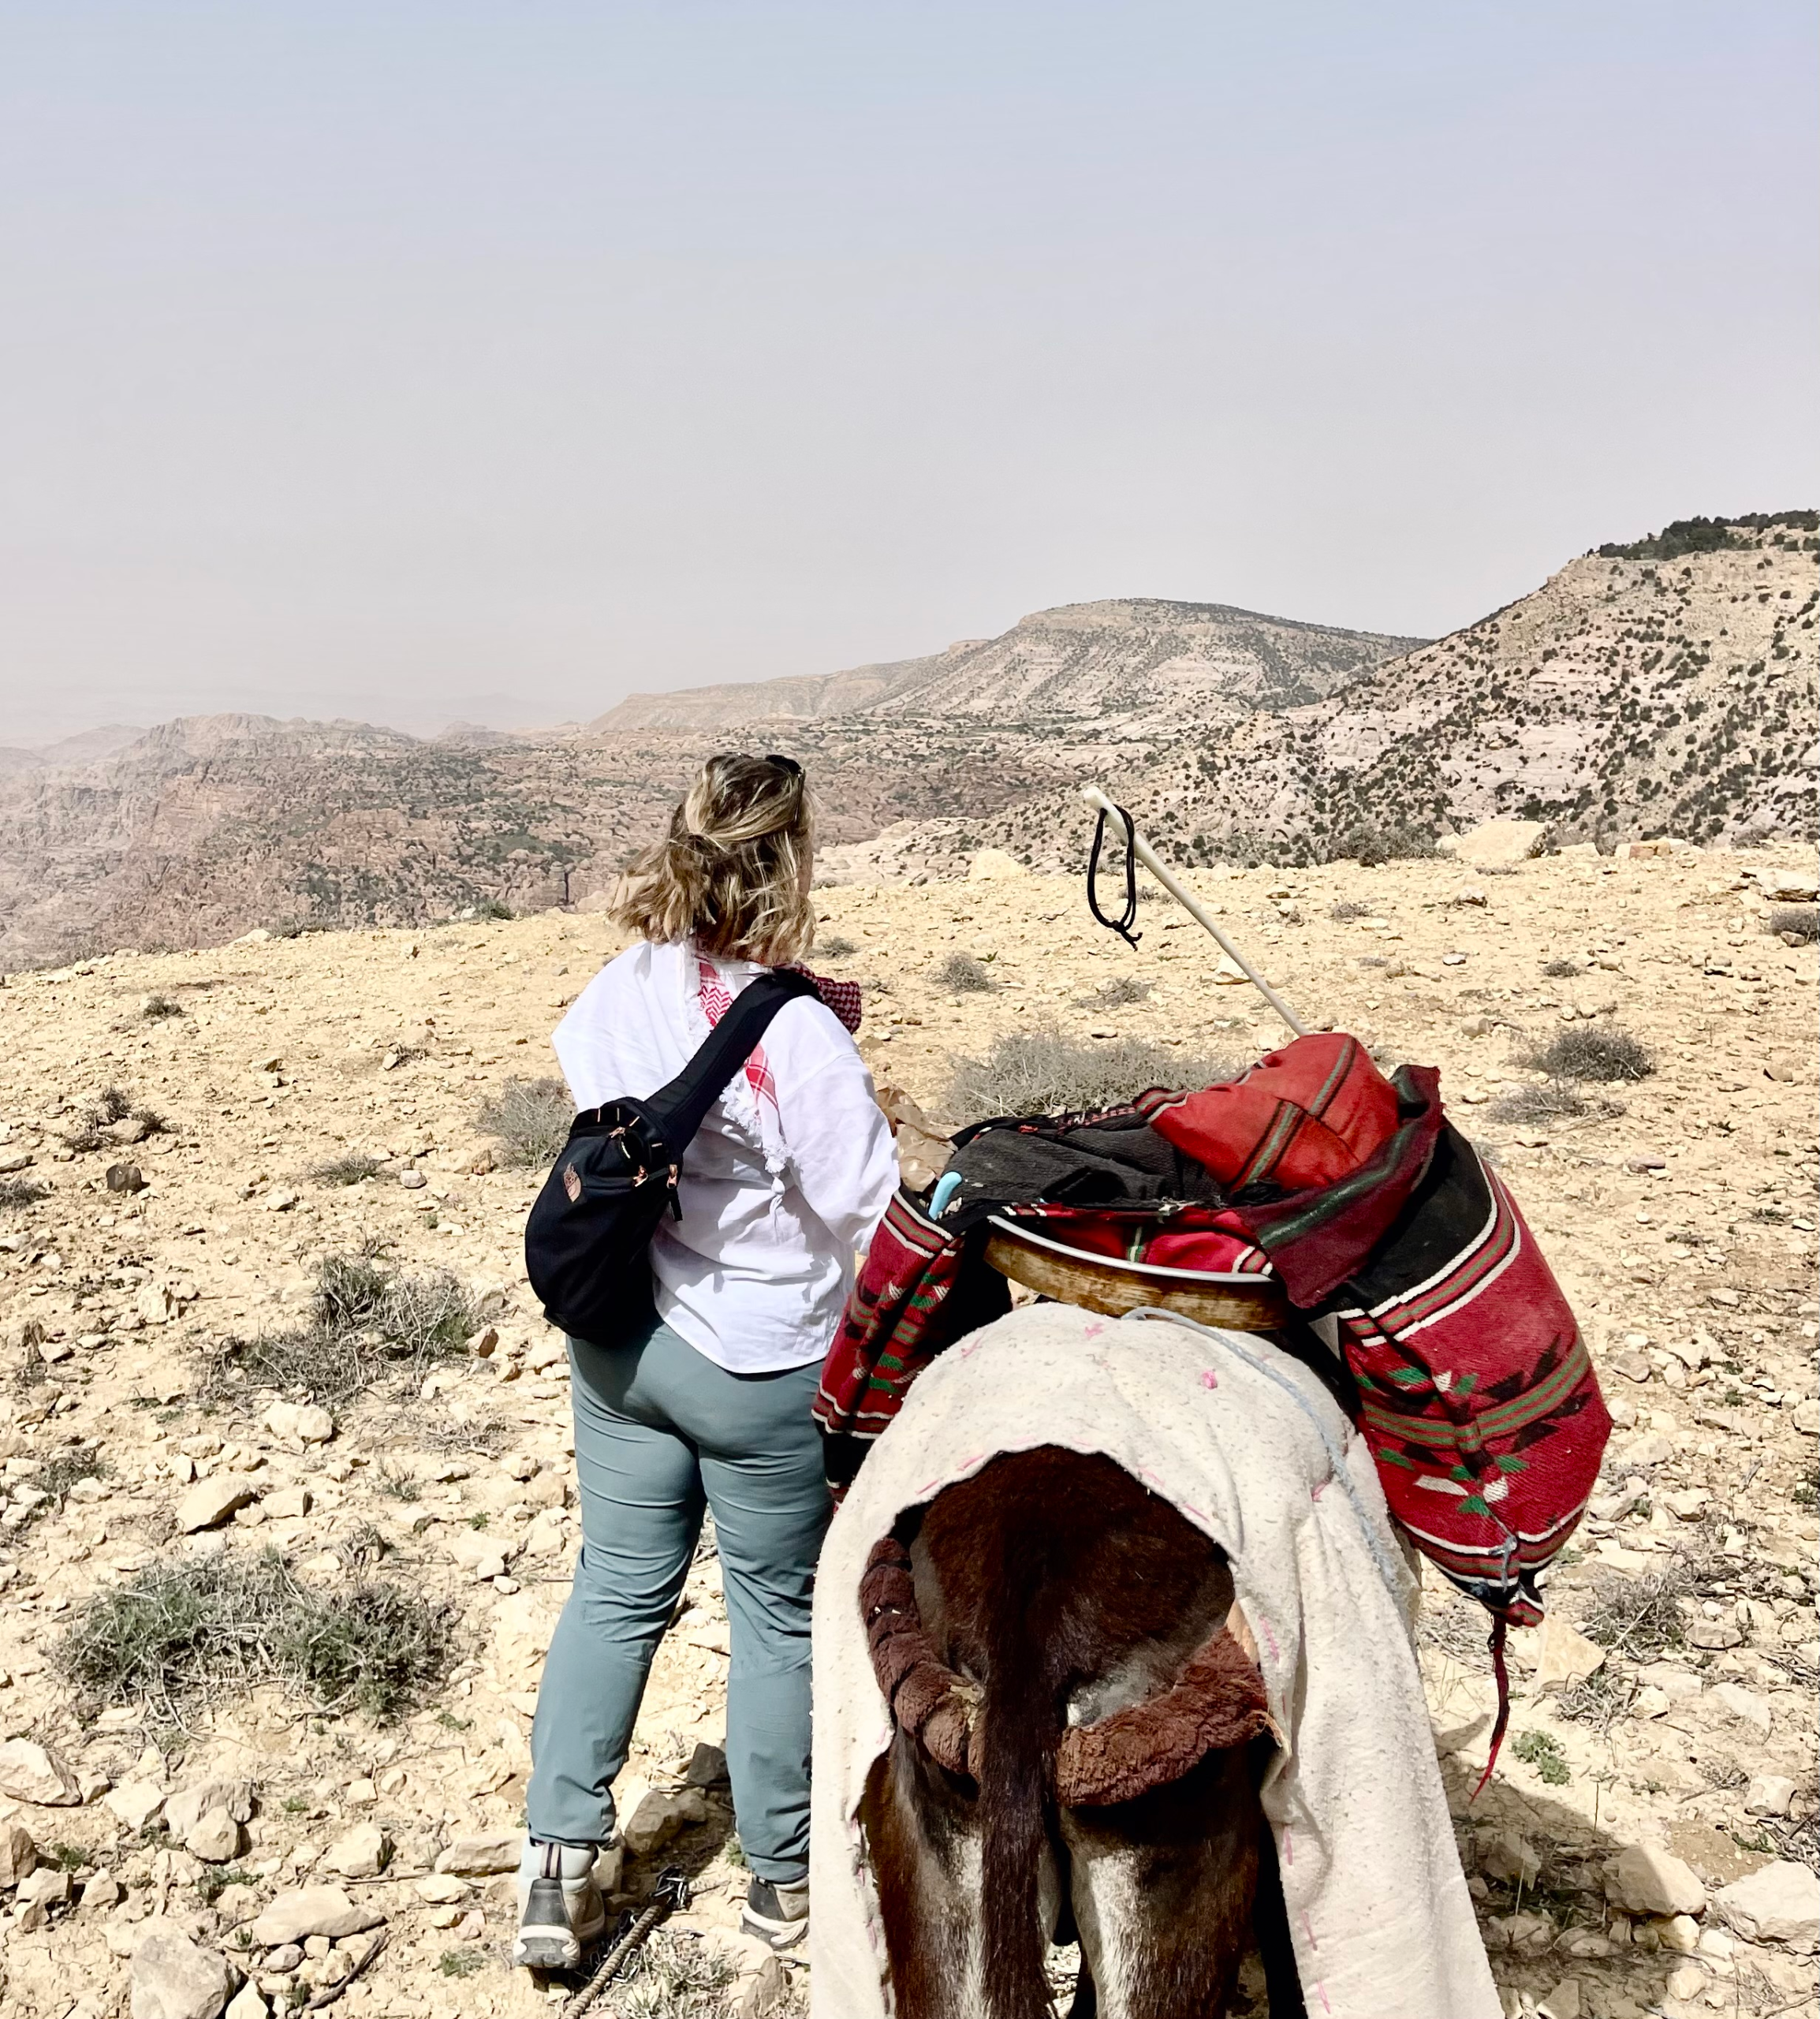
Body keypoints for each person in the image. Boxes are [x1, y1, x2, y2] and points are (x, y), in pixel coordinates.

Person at [513, 752, 897, 1969]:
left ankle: (556, 1873)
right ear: (792, 862)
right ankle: (782, 1888)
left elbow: (593, 1092)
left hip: (624, 1341)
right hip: (760, 1364)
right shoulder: (798, 1034)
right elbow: (871, 1217)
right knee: (777, 1616)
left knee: (618, 1588)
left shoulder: (624, 984)